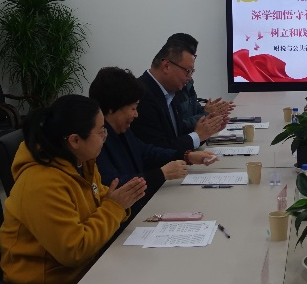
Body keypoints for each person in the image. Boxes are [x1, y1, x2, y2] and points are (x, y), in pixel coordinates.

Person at [0, 95, 147, 284]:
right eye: (101, 131)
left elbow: (101, 203)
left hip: (84, 277)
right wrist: (115, 207)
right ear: (75, 140)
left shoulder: (82, 163)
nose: (105, 137)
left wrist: (117, 204)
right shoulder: (41, 183)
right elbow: (74, 250)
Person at [89, 67, 217, 219]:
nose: (136, 114)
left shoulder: (121, 130)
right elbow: (115, 184)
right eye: (133, 108)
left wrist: (186, 156)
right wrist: (161, 174)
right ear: (112, 108)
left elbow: (147, 152)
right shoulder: (95, 144)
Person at [130, 40, 227, 153]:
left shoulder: (170, 91)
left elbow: (179, 134)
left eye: (192, 72)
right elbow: (159, 149)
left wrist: (207, 129)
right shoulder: (142, 95)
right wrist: (198, 136)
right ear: (166, 66)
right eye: (187, 71)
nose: (189, 78)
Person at [165, 32, 234, 129]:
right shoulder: (169, 86)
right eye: (191, 54)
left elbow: (195, 110)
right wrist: (207, 114)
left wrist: (211, 110)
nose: (193, 59)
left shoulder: (188, 81)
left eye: (194, 55)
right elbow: (179, 127)